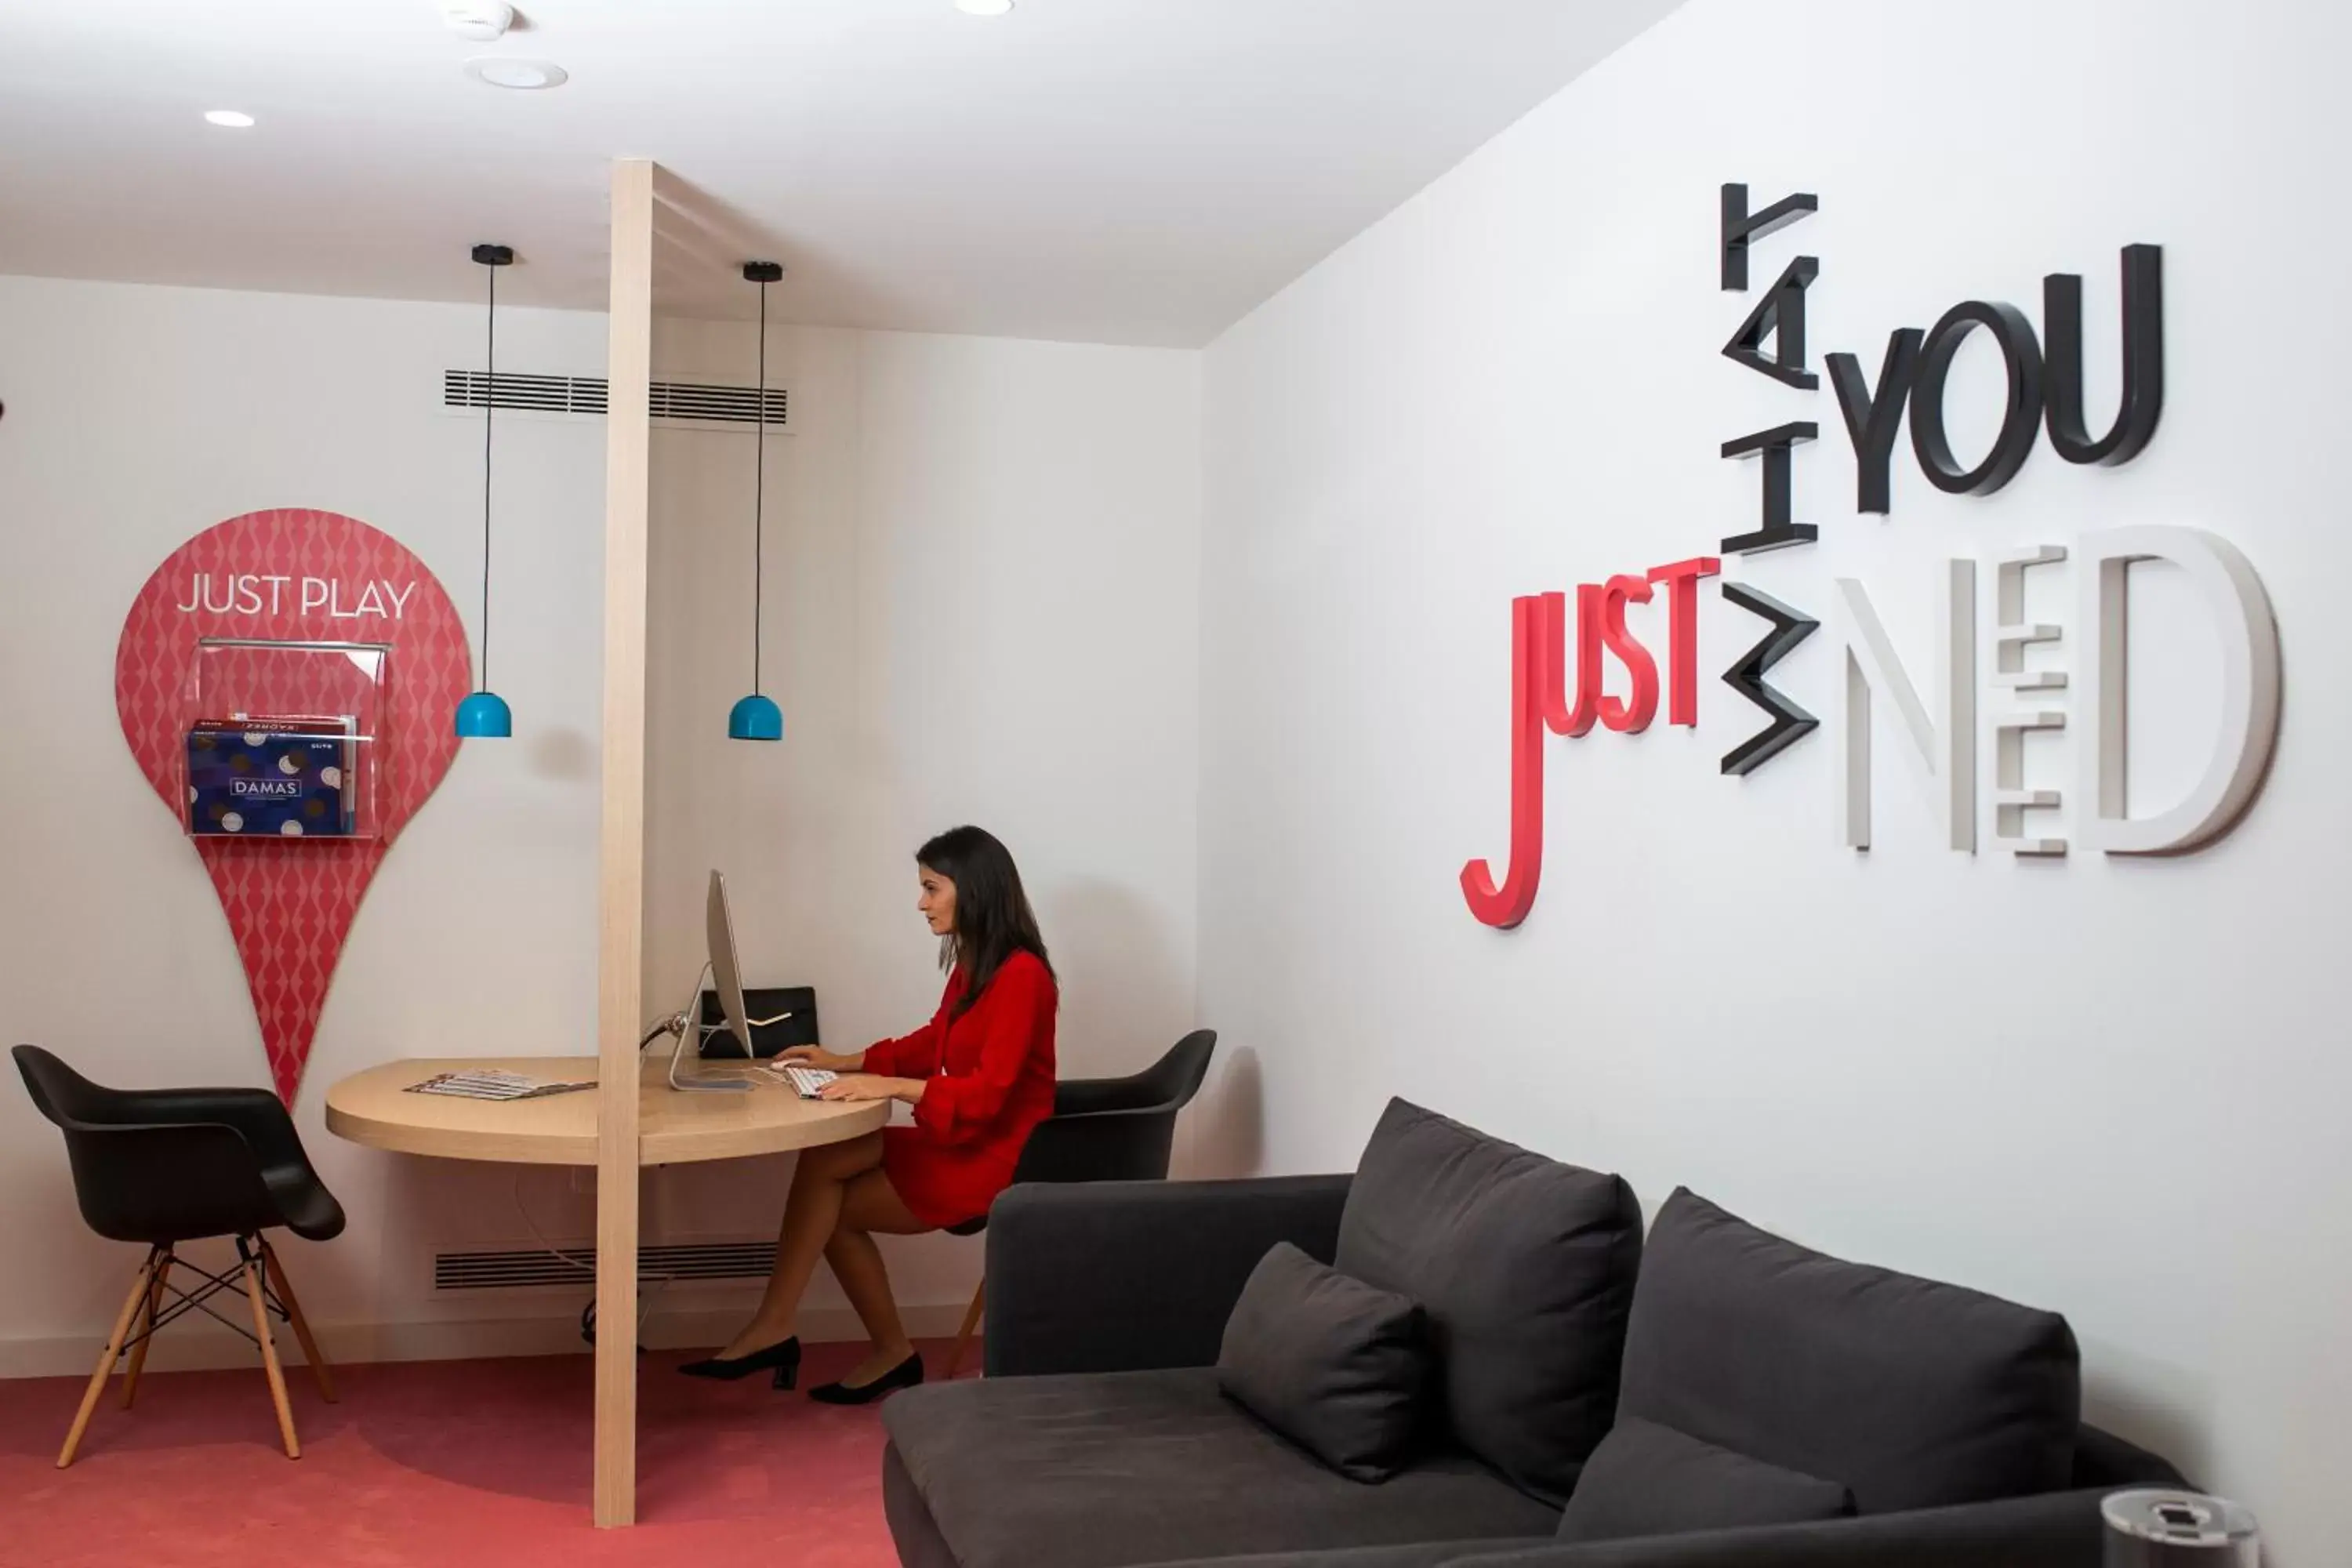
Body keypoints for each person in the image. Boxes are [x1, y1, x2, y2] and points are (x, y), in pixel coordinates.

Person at [681, 825, 1058, 1402]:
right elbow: (937, 1040)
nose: (921, 903)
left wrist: (888, 1085)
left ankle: (858, 1345)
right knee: (826, 1157)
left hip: (995, 1158)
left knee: (831, 1210)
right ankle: (780, 1328)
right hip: (960, 1140)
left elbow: (988, 1096)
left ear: (974, 890)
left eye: (932, 888)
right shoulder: (976, 964)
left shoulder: (1023, 976)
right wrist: (846, 1060)